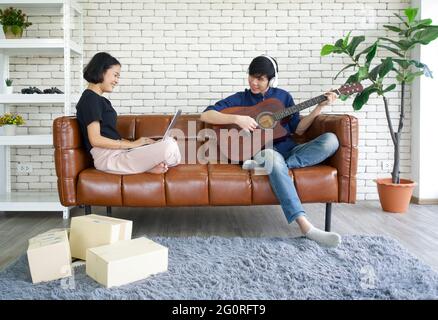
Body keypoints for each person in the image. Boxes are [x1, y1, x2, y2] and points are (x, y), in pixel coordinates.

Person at [200, 55, 341, 247]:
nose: (254, 82)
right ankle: (306, 227)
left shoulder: (284, 97)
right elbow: (206, 114)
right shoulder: (240, 98)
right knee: (273, 159)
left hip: (289, 149)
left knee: (331, 141)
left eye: (261, 78)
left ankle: (269, 167)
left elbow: (298, 129)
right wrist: (237, 119)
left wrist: (319, 107)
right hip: (264, 151)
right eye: (252, 76)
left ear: (271, 80)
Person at [76, 52, 181, 175]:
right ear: (101, 71)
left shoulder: (101, 100)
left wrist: (140, 144)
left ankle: (144, 166)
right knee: (169, 146)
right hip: (108, 158)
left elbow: (111, 136)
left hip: (119, 153)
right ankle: (145, 166)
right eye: (115, 75)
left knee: (169, 142)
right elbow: (95, 140)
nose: (117, 81)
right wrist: (132, 144)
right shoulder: (90, 99)